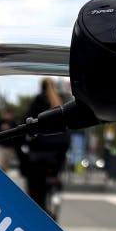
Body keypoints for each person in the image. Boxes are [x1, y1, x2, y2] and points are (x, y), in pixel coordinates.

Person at [19, 79, 70, 217]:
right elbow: (67, 135)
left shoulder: (36, 104)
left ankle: (41, 218)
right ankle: (53, 207)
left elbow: (25, 129)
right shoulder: (60, 104)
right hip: (56, 159)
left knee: (36, 198)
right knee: (53, 183)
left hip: (38, 158)